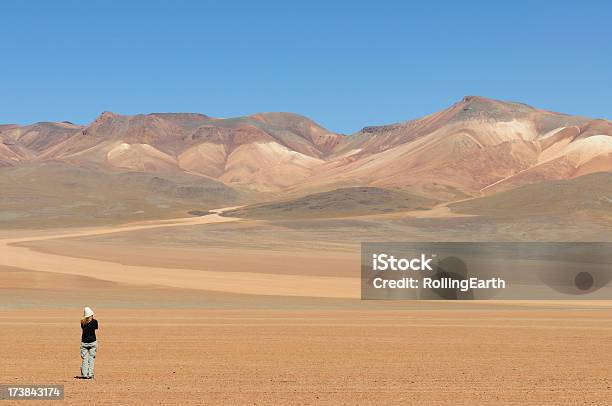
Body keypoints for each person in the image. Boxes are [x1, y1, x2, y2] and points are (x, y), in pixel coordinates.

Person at [80, 306, 98, 379]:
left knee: (85, 359)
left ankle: (84, 374)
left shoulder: (82, 322)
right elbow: (96, 328)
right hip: (93, 342)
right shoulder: (94, 322)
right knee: (91, 358)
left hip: (84, 342)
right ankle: (90, 374)